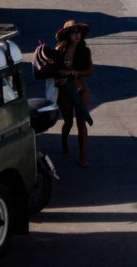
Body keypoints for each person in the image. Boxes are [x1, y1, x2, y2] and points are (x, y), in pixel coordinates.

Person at [54, 20, 94, 167]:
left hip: (80, 90)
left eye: (79, 32)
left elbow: (89, 71)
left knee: (81, 123)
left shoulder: (85, 51)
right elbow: (53, 70)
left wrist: (72, 72)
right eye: (73, 32)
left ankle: (83, 158)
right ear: (67, 35)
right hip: (64, 91)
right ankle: (64, 144)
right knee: (68, 122)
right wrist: (60, 78)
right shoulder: (59, 50)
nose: (77, 35)